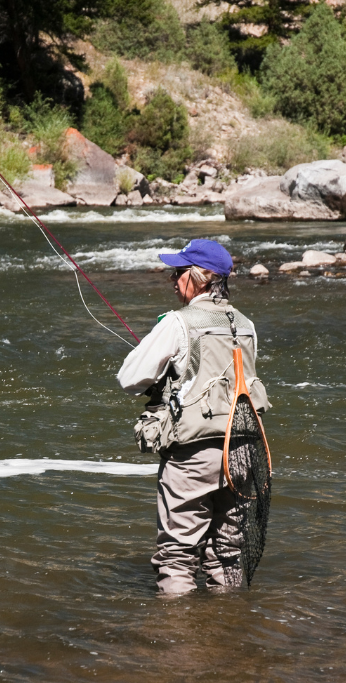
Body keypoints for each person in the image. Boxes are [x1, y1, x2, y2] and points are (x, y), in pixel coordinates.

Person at [117, 239, 269, 595]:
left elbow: (129, 379)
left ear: (202, 277)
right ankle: (229, 632)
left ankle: (176, 641)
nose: (172, 279)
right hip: (244, 450)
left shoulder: (177, 323)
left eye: (179, 272)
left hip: (193, 456)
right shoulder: (246, 324)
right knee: (228, 554)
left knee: (177, 556)